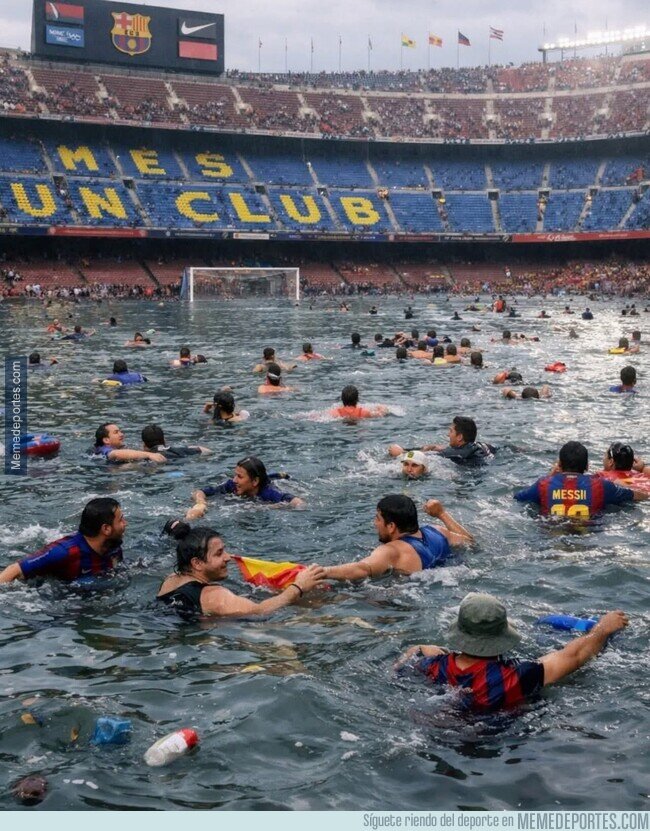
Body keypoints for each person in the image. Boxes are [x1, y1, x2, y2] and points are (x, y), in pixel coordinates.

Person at [397, 592, 629, 713]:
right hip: (505, 740)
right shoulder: (518, 674)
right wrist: (603, 628)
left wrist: (432, 650)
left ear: (460, 632)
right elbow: (575, 656)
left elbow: (414, 651)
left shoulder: (431, 665)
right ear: (502, 634)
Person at [157, 521, 324, 618]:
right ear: (197, 563)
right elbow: (260, 611)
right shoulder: (214, 595)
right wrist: (298, 587)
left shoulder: (171, 579)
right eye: (219, 553)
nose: (228, 557)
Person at [321, 495, 472, 581]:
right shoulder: (437, 531)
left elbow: (362, 569)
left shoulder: (392, 551)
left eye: (378, 518)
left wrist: (322, 571)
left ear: (391, 526)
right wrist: (441, 514)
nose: (375, 523)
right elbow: (469, 541)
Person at [0, 498, 126, 583]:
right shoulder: (64, 551)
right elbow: (14, 570)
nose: (125, 523)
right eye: (121, 520)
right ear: (106, 529)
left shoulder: (112, 547)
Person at [514, 440, 647, 517]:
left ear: (559, 465)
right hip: (589, 535)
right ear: (587, 466)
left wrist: (550, 476)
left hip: (551, 532)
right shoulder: (602, 485)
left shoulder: (543, 484)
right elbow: (642, 495)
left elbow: (517, 498)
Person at [187, 456, 303, 518]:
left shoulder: (269, 492)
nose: (234, 480)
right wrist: (201, 503)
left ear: (255, 481)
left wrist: (268, 507)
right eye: (235, 475)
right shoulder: (232, 486)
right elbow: (199, 492)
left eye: (240, 477)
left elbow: (298, 503)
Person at [389, 416, 494, 463]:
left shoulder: (455, 453)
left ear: (460, 437)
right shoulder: (483, 446)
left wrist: (401, 453)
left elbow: (422, 457)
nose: (448, 435)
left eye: (451, 431)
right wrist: (434, 447)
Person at [93, 423, 166, 463]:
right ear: (106, 440)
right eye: (116, 432)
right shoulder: (104, 449)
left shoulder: (118, 447)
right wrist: (150, 454)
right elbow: (116, 454)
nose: (121, 434)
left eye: (120, 431)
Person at [141, 424, 211, 460]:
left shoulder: (145, 458)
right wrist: (189, 447)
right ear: (164, 440)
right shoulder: (177, 450)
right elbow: (208, 451)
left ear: (144, 445)